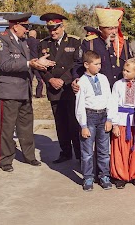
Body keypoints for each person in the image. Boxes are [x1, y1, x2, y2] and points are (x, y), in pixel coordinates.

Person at [0, 12, 55, 172]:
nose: (27, 30)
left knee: (26, 126)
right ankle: (4, 160)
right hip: (8, 92)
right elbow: (5, 65)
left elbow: (29, 62)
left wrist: (38, 64)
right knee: (6, 128)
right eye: (25, 26)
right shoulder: (1, 39)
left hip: (24, 91)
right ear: (15, 26)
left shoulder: (23, 41)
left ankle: (29, 156)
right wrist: (30, 63)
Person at [38, 13, 82, 163]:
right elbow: (40, 67)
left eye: (56, 28)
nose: (53, 32)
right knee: (60, 123)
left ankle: (80, 154)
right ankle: (65, 152)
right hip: (54, 89)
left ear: (62, 27)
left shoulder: (75, 42)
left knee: (74, 122)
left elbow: (77, 64)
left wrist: (62, 80)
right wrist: (50, 79)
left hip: (69, 88)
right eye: (50, 29)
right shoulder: (43, 44)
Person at [75, 50, 116, 191]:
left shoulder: (103, 79)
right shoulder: (82, 82)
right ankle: (88, 177)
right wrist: (83, 125)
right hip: (89, 117)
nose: (99, 66)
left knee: (104, 150)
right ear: (86, 65)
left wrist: (110, 118)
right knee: (87, 151)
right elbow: (79, 105)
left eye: (100, 64)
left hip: (103, 116)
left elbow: (110, 98)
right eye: (96, 64)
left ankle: (104, 175)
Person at [72, 8, 132, 89]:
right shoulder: (90, 43)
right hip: (98, 90)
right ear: (101, 29)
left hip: (121, 88)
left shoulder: (124, 43)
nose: (114, 32)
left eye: (115, 28)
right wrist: (76, 79)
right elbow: (79, 65)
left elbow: (131, 63)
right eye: (110, 29)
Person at [110, 58, 135, 189]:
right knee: (120, 150)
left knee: (134, 149)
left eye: (128, 71)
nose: (124, 72)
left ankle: (134, 175)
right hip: (121, 121)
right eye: (124, 69)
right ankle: (120, 176)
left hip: (134, 122)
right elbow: (113, 104)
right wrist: (115, 124)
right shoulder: (118, 85)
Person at [26, 30, 44, 98]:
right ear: (35, 35)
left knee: (29, 79)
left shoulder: (24, 42)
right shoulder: (37, 42)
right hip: (36, 63)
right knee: (40, 79)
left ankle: (28, 94)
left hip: (28, 63)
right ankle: (38, 94)